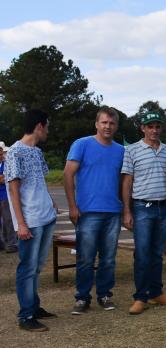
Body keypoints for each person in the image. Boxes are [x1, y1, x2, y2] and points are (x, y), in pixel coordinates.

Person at [64, 106, 125, 314]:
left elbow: (124, 182)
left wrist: (126, 209)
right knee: (85, 258)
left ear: (116, 126)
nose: (108, 126)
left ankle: (105, 294)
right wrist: (72, 206)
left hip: (113, 212)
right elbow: (68, 174)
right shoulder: (82, 144)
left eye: (112, 123)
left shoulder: (121, 151)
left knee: (108, 258)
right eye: (104, 122)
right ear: (96, 124)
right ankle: (82, 297)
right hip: (87, 211)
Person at [121, 112, 166, 315]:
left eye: (157, 126)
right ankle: (140, 297)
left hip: (164, 207)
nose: (154, 130)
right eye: (150, 126)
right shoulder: (132, 150)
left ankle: (156, 292)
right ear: (143, 128)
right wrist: (126, 211)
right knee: (142, 254)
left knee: (157, 253)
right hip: (142, 208)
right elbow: (127, 182)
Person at [5, 109, 57, 331]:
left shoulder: (37, 151)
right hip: (31, 220)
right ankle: (25, 315)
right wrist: (21, 224)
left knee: (37, 266)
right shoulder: (14, 152)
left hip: (46, 216)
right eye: (47, 126)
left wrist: (50, 201)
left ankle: (34, 306)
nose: (48, 130)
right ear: (39, 126)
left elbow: (39, 182)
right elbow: (13, 189)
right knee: (27, 268)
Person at [0, 141, 18, 253]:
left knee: (8, 220)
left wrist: (2, 178)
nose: (3, 155)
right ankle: (3, 243)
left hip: (5, 195)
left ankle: (11, 244)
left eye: (2, 153)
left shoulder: (6, 164)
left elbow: (4, 179)